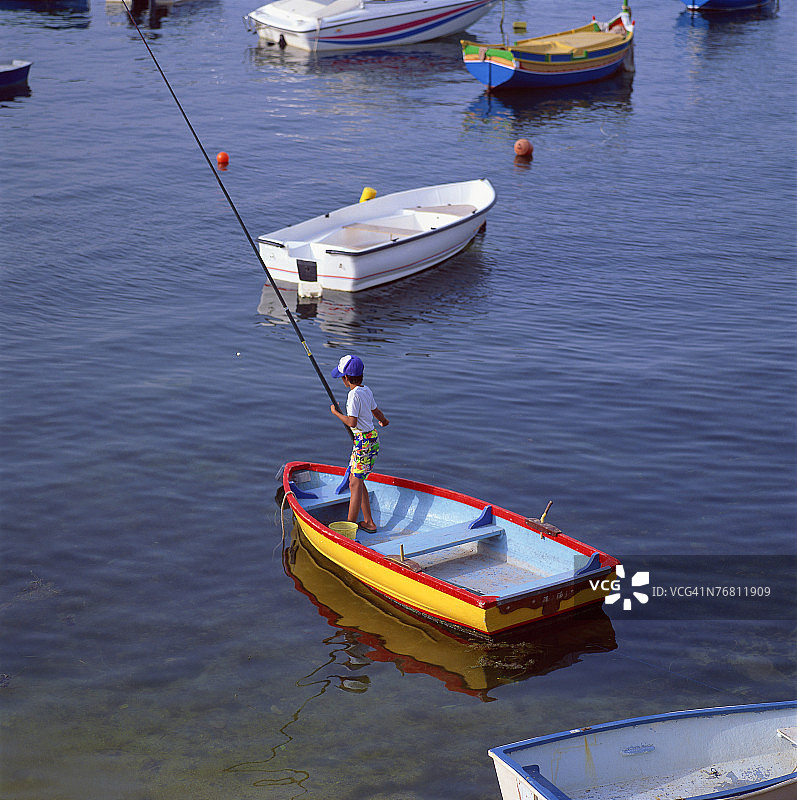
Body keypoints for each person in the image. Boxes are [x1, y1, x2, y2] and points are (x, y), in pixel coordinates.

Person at [329, 354, 389, 533]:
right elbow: (375, 410)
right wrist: (384, 421)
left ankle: (349, 527)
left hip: (362, 442)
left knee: (354, 483)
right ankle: (369, 522)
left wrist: (336, 413)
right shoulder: (366, 390)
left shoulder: (352, 396)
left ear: (346, 378)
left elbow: (352, 422)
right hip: (372, 438)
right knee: (358, 479)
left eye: (342, 377)